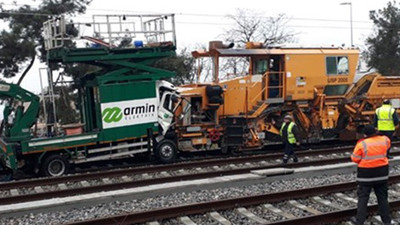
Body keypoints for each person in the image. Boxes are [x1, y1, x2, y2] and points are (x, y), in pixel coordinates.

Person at [351, 125, 391, 225]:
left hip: (366, 175)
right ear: (375, 131)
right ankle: (387, 221)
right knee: (382, 198)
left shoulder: (362, 144)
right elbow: (388, 146)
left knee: (363, 198)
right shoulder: (384, 140)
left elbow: (355, 158)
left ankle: (359, 221)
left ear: (365, 134)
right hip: (382, 174)